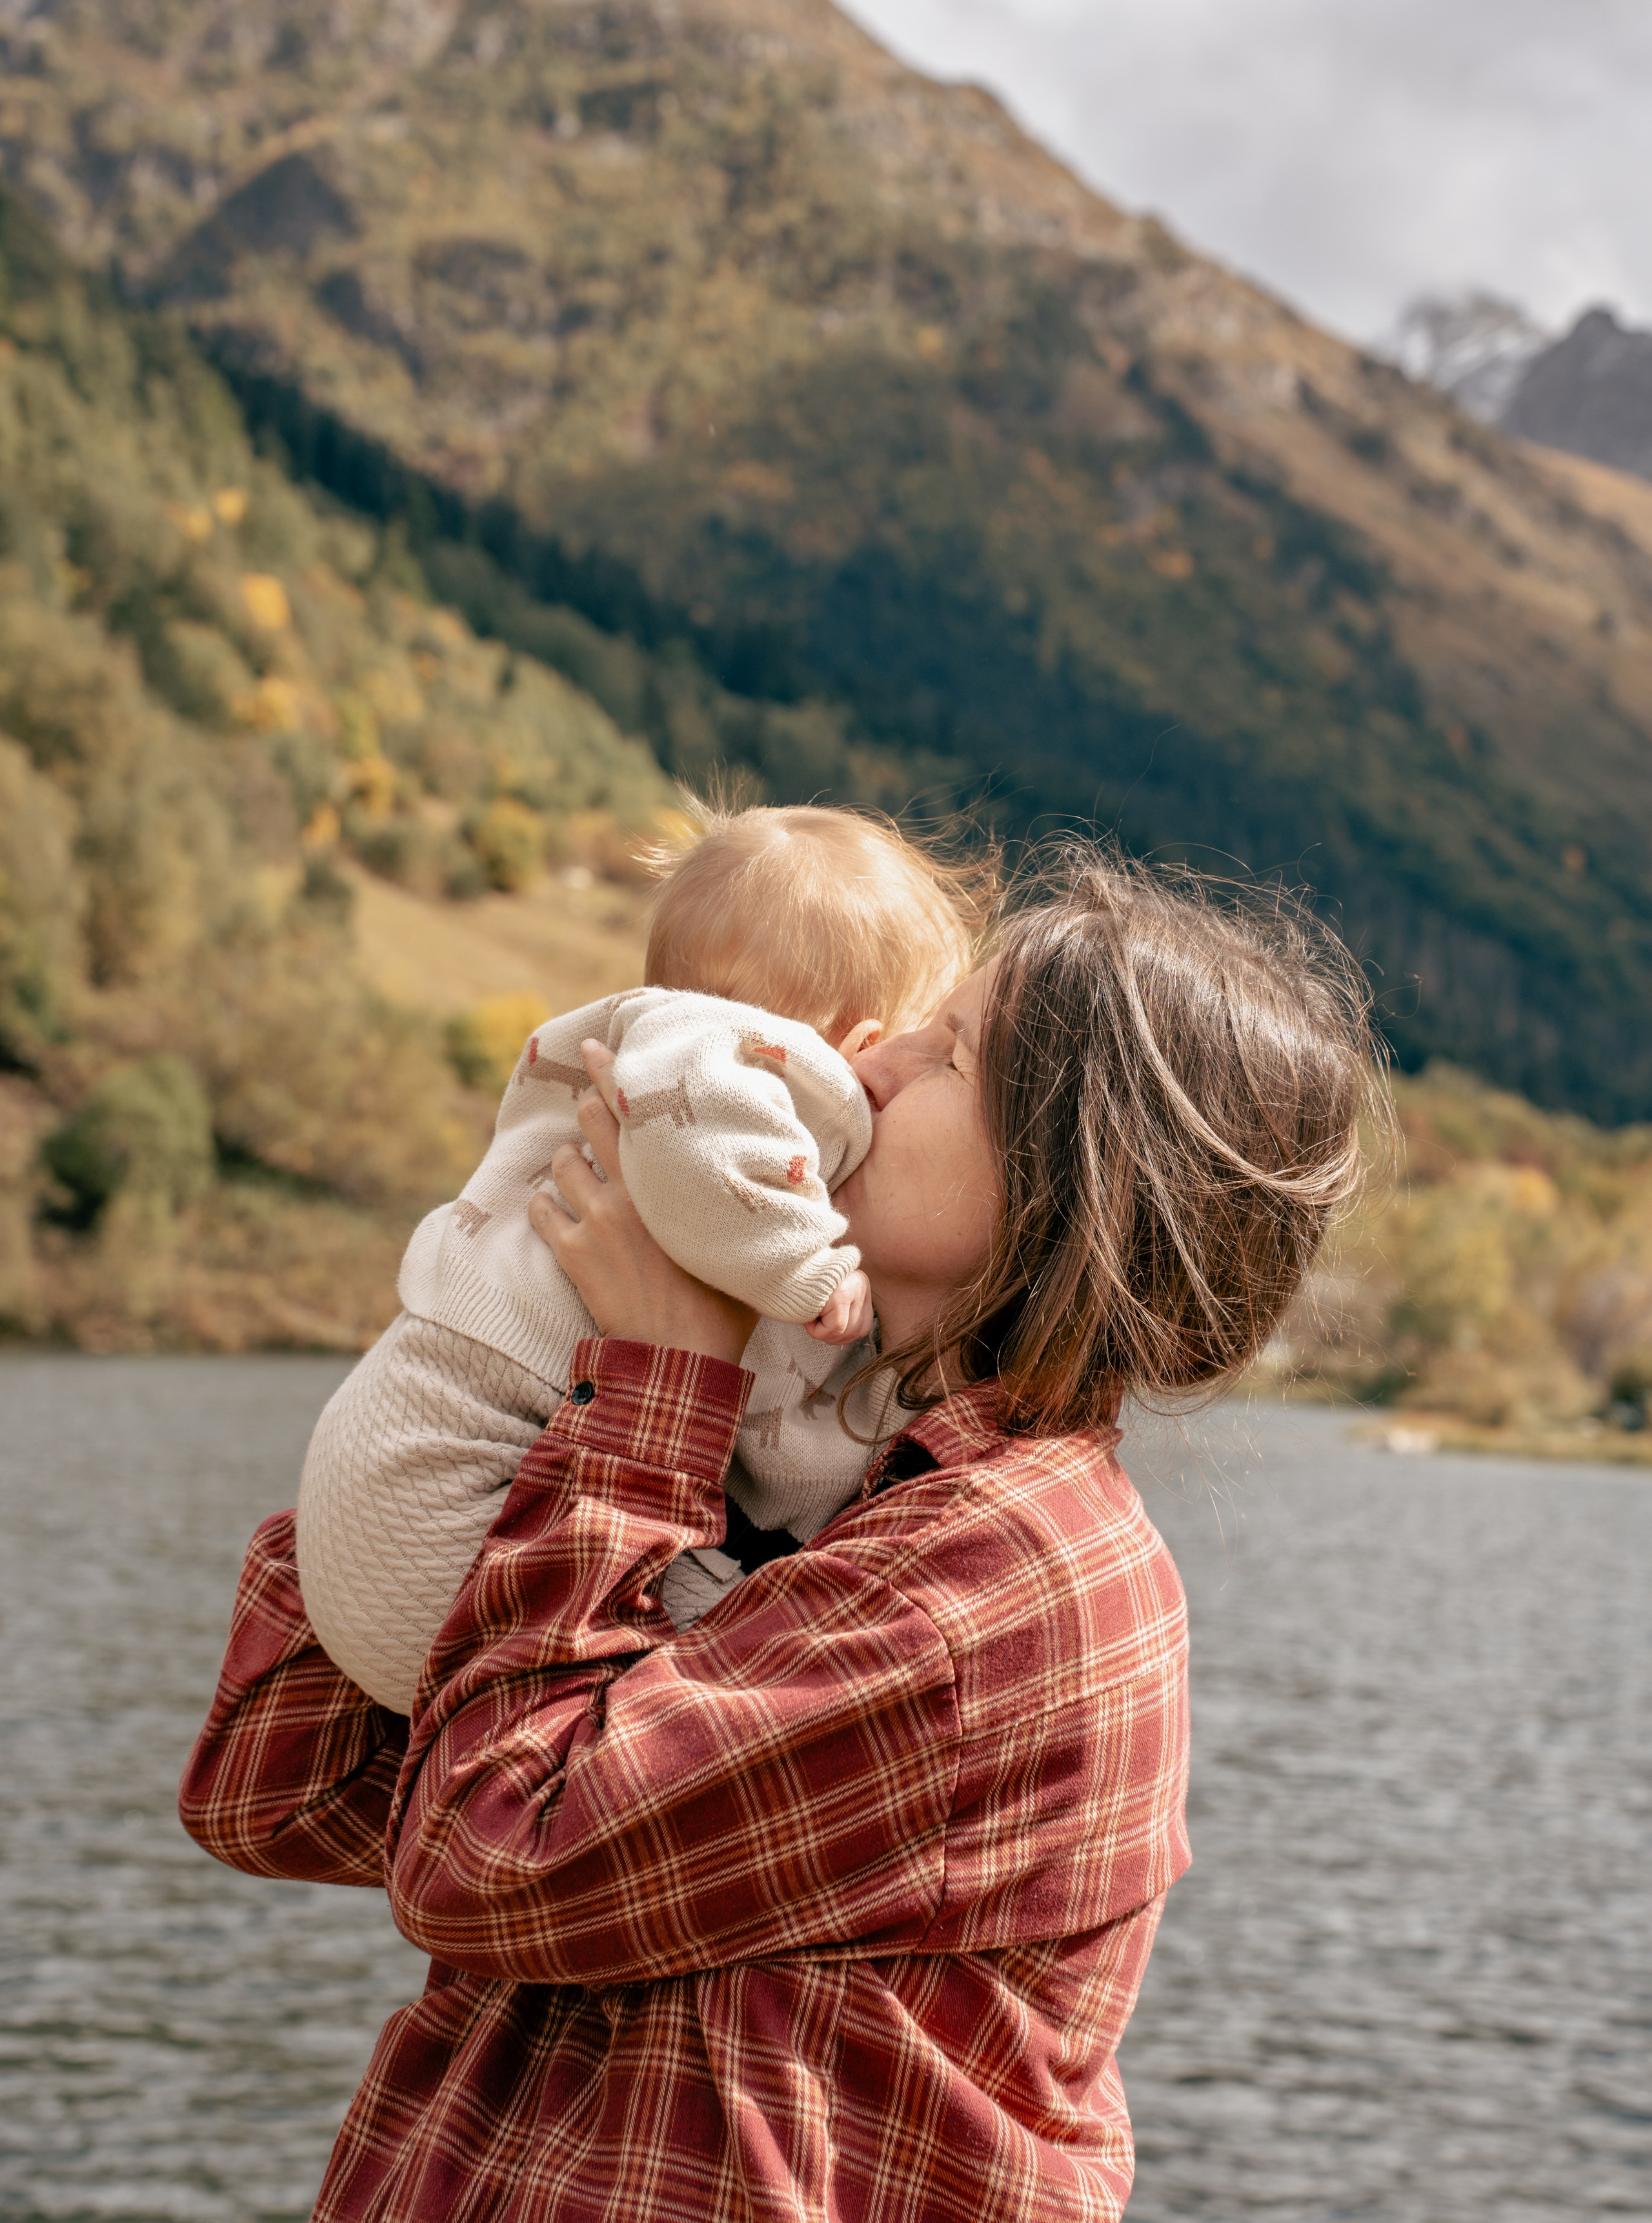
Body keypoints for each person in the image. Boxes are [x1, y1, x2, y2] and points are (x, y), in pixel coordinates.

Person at [179, 847, 1376, 2222]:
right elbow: (282, 1787)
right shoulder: (824, 1467)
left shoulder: (993, 1585)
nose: (862, 1068)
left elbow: (485, 1849)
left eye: (945, 1055)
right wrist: (488, 1348)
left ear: (1074, 1180)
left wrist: (651, 1380)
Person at [296, 800, 980, 1706]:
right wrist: (813, 1268)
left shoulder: (657, 1058)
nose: (896, 1079)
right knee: (754, 1659)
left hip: (384, 1478)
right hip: (453, 1498)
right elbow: (711, 1160)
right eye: (921, 1040)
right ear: (859, 1044)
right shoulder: (715, 1066)